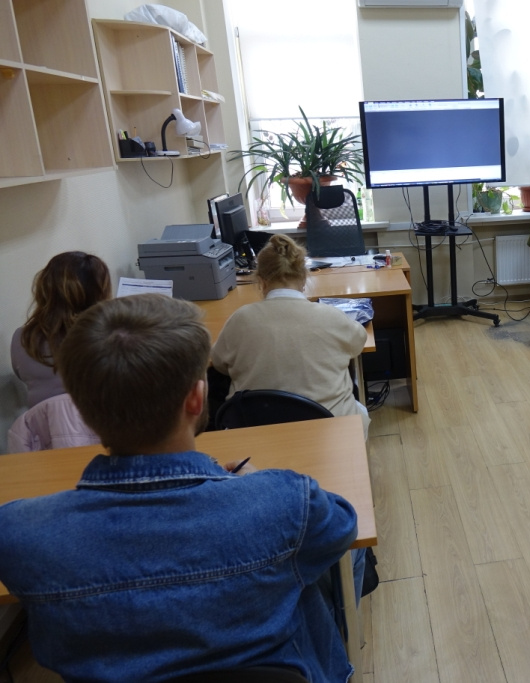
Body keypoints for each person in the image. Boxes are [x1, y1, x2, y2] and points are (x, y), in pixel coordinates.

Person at [0, 294, 362, 682]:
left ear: (82, 410)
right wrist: (255, 485)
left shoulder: (19, 533)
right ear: (196, 397)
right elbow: (343, 527)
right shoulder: (286, 502)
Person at [211, 234, 370, 436]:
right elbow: (358, 343)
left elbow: (219, 363)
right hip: (328, 432)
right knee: (359, 408)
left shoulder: (240, 319)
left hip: (255, 432)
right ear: (304, 278)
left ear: (261, 281)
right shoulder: (331, 317)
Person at [10, 251, 111, 409]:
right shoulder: (107, 337)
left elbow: (23, 376)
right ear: (100, 292)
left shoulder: (23, 338)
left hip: (45, 423)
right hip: (101, 421)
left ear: (44, 288)